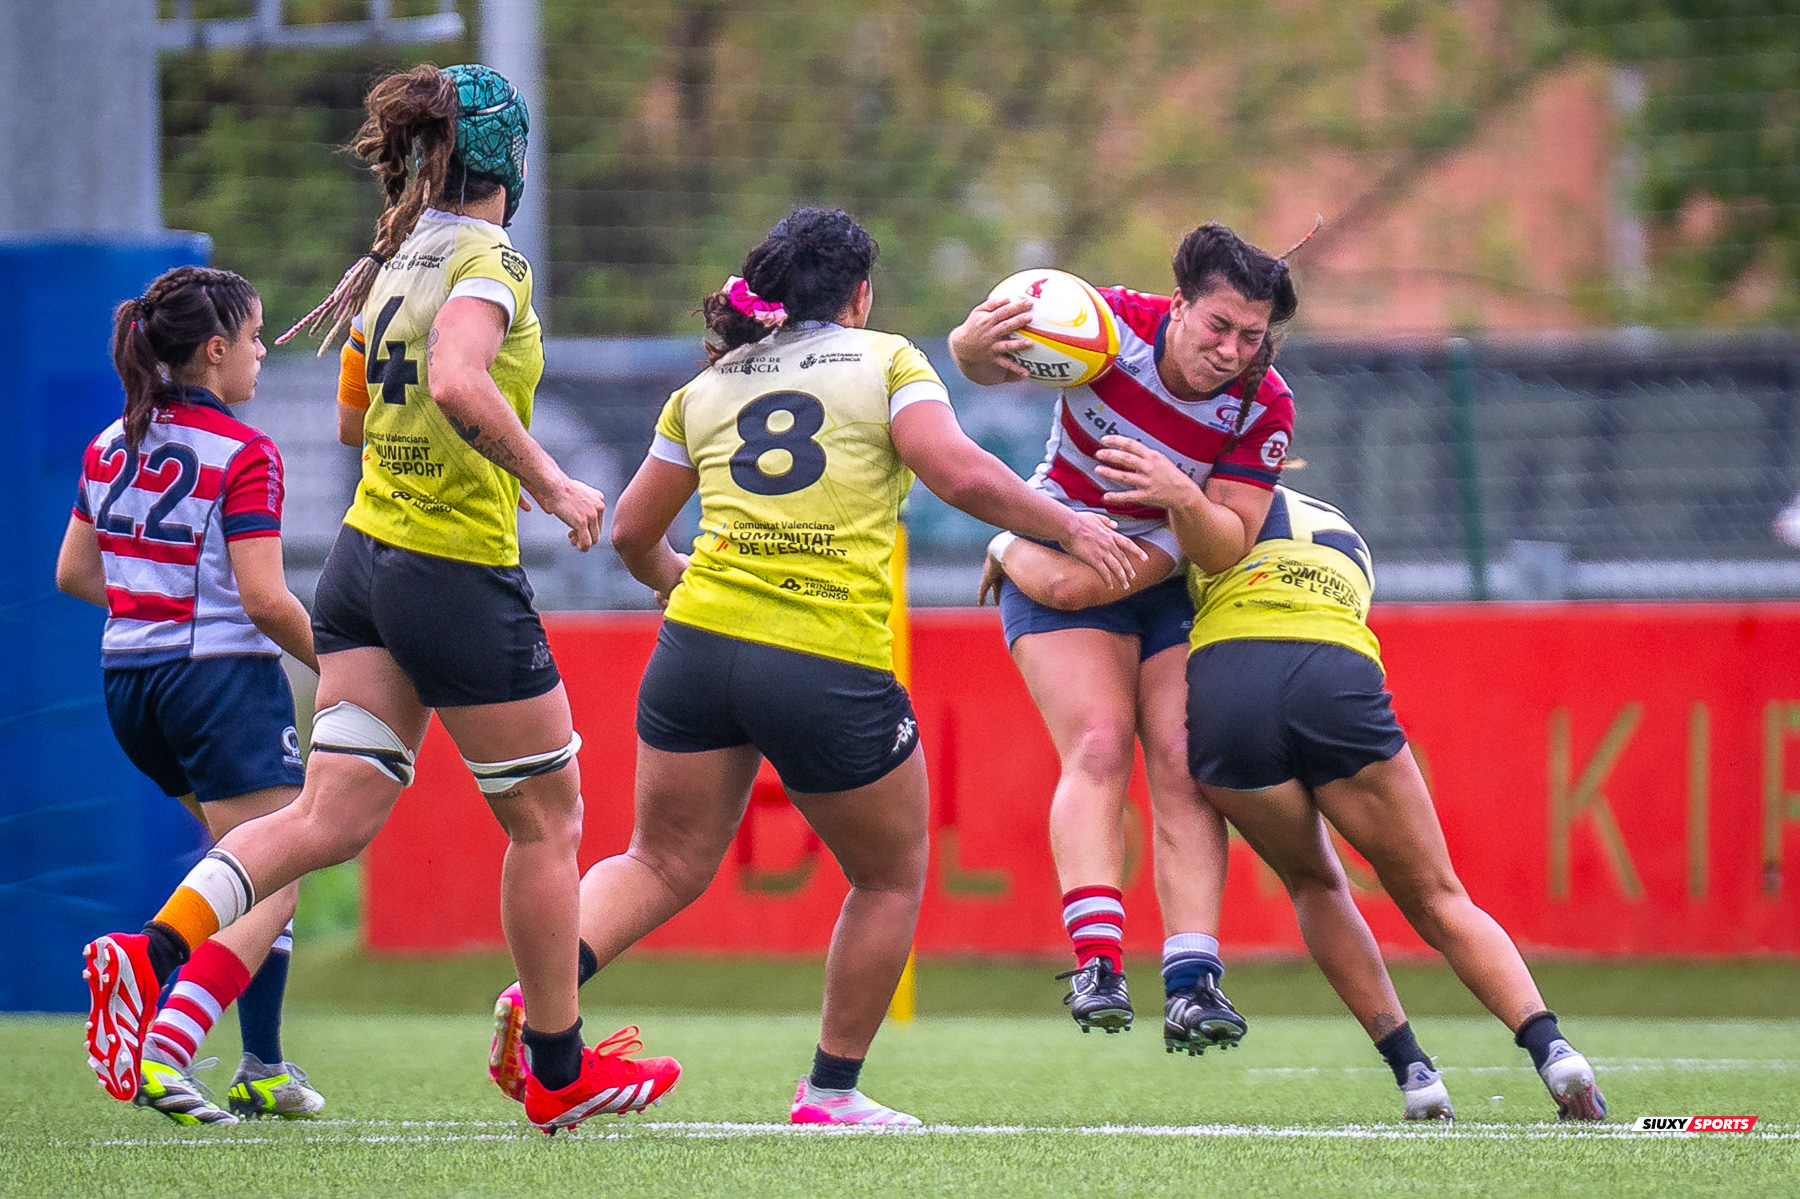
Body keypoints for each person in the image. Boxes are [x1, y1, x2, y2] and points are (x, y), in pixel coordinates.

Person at [79, 64, 677, 1136]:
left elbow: (355, 421)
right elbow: (454, 378)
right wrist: (553, 481)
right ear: (508, 160)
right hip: (451, 570)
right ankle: (555, 1067)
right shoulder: (487, 257)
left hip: (361, 566)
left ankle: (147, 951)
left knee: (326, 816)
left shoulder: (396, 257)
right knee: (550, 820)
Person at [485, 206, 1143, 1125]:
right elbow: (954, 471)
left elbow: (633, 532)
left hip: (698, 651)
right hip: (823, 655)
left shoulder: (705, 388)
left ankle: (542, 993)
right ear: (859, 295)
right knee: (888, 873)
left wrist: (679, 580)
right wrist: (1067, 521)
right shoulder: (885, 361)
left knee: (661, 858)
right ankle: (830, 1092)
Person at [1096, 449, 1608, 1121]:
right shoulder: (1344, 528)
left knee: (1315, 882)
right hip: (1334, 675)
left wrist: (1014, 547)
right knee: (1437, 894)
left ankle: (1414, 1073)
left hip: (1230, 686)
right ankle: (1553, 1050)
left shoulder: (1198, 511)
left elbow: (1106, 572)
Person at [951, 223, 1297, 1051]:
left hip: (1170, 570)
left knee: (1184, 764)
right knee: (1101, 745)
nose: (1231, 351)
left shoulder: (1263, 401)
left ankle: (1193, 982)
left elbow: (1227, 541)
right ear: (1177, 305)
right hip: (1062, 538)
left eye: (1252, 337)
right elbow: (984, 362)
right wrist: (968, 340)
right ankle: (1099, 965)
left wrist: (1180, 492)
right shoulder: (1105, 329)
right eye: (1218, 326)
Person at [57, 265, 324, 1125]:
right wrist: (345, 661)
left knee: (238, 864)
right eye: (252, 337)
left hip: (129, 686)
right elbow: (264, 598)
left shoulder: (107, 442)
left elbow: (74, 573)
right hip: (218, 684)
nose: (260, 353)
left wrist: (158, 597)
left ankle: (263, 1063)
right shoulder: (245, 452)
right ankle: (165, 1046)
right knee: (274, 869)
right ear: (214, 350)